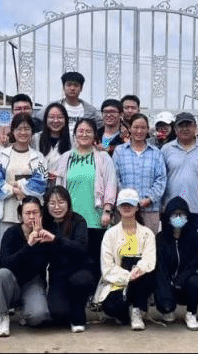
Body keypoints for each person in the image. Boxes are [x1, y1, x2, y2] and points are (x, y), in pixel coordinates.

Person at [51, 118, 119, 276]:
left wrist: (107, 210)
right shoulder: (66, 157)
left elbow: (111, 185)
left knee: (94, 262)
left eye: (88, 131)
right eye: (80, 131)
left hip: (95, 218)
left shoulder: (103, 158)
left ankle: (95, 291)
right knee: (70, 261)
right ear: (74, 134)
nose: (84, 134)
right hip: (70, 218)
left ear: (95, 135)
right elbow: (59, 187)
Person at [93, 188, 156, 331]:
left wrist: (138, 270)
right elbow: (107, 267)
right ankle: (126, 311)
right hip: (118, 281)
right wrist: (128, 276)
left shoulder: (147, 234)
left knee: (144, 273)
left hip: (140, 278)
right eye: (123, 204)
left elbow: (149, 259)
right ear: (117, 207)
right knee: (112, 308)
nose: (127, 207)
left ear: (137, 207)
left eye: (130, 204)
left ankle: (137, 309)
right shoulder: (110, 234)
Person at [0, 196, 52, 337]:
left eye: (35, 212)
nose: (31, 217)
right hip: (11, 281)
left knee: (38, 317)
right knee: (2, 274)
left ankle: (26, 311)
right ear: (21, 215)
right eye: (27, 213)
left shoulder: (45, 234)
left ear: (41, 214)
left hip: (32, 282)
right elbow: (6, 263)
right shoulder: (11, 233)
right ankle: (3, 316)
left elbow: (41, 265)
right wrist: (28, 245)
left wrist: (41, 242)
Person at [0, 114, 49, 245]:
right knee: (7, 250)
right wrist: (14, 190)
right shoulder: (1, 155)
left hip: (32, 216)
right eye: (19, 129)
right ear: (13, 131)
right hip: (7, 214)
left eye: (27, 129)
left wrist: (20, 185)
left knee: (33, 249)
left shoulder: (39, 157)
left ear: (32, 131)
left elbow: (41, 183)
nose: (23, 132)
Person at [42, 186, 96, 333]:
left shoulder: (78, 220)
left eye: (61, 202)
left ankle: (78, 314)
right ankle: (68, 308)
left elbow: (81, 247)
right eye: (52, 203)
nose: (57, 207)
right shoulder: (45, 223)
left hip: (79, 269)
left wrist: (55, 240)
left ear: (68, 203)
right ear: (46, 205)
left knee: (81, 281)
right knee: (58, 314)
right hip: (57, 274)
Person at [161, 112, 198, 232]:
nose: (185, 129)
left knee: (194, 241)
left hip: (196, 209)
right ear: (175, 129)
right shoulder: (166, 149)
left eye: (188, 125)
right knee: (174, 241)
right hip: (172, 209)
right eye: (181, 126)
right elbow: (160, 178)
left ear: (195, 127)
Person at [154, 196, 198, 330]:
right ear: (168, 217)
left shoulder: (196, 238)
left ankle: (191, 313)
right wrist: (167, 287)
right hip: (168, 284)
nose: (178, 217)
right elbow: (160, 268)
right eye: (174, 214)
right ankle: (168, 308)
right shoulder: (160, 239)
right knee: (164, 302)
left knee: (195, 281)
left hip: (186, 284)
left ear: (187, 216)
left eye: (181, 214)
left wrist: (182, 278)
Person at [112, 113, 168, 232]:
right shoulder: (119, 151)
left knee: (148, 242)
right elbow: (115, 178)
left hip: (150, 210)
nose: (139, 131)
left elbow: (161, 179)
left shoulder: (156, 153)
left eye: (143, 127)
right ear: (129, 128)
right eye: (136, 127)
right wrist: (127, 199)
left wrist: (149, 199)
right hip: (125, 209)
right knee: (123, 242)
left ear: (148, 129)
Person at [33, 102, 72, 172]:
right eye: (51, 117)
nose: (56, 121)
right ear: (45, 119)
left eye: (60, 117)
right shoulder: (35, 139)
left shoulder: (73, 140)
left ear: (66, 120)